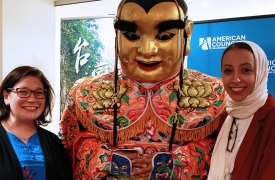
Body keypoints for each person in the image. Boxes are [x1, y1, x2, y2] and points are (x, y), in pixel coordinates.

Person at [59, 0, 226, 179]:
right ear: (117, 34)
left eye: (163, 37)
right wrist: (106, 160)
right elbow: (64, 156)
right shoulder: (85, 92)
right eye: (131, 35)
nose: (147, 50)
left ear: (187, 33)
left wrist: (177, 161)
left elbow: (228, 154)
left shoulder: (216, 93)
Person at [208, 41, 275, 179]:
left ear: (261, 72)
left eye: (246, 70)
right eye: (228, 71)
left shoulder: (271, 117)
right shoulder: (226, 116)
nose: (236, 79)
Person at [0, 66, 73, 180]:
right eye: (23, 92)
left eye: (38, 93)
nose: (32, 99)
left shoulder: (53, 142)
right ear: (6, 97)